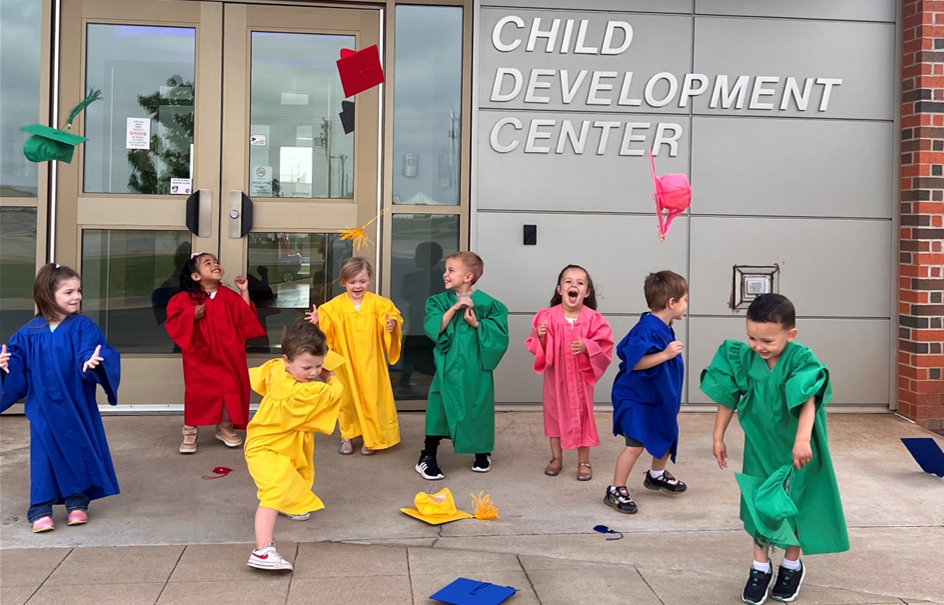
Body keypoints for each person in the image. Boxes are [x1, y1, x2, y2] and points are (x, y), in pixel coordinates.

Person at [701, 293, 848, 605]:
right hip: (759, 445)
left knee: (793, 503)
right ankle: (759, 567)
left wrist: (802, 440)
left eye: (767, 340)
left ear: (790, 334)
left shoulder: (800, 358)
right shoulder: (743, 358)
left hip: (797, 447)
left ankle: (791, 566)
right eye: (752, 337)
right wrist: (718, 437)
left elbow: (808, 402)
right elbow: (728, 399)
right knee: (758, 503)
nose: (758, 346)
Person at [0, 263, 120, 532]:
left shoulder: (83, 327)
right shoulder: (28, 332)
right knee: (44, 455)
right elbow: (15, 361)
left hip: (76, 403)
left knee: (78, 447)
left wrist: (92, 363)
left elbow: (92, 351)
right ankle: (39, 507)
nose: (76, 297)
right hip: (42, 406)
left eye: (78, 291)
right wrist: (5, 364)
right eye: (69, 292)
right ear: (47, 295)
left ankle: (77, 502)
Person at [245, 322, 344, 572]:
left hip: (285, 442)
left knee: (299, 473)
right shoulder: (305, 392)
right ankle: (262, 550)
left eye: (318, 366)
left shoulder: (277, 368)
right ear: (287, 360)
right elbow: (334, 393)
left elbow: (258, 377)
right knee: (274, 491)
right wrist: (329, 374)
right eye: (307, 367)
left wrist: (310, 337)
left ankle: (293, 506)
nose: (313, 372)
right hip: (265, 448)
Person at [415, 252, 509, 480]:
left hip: (475, 367)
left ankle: (482, 452)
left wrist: (477, 323)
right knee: (439, 407)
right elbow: (433, 328)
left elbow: (500, 336)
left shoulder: (489, 305)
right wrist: (454, 309)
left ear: (468, 276)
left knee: (478, 406)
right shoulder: (438, 302)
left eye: (451, 270)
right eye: (446, 269)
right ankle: (427, 456)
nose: (445, 274)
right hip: (447, 366)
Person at [606, 271, 689, 515]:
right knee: (635, 444)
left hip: (657, 396)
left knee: (666, 432)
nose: (686, 305)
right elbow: (634, 361)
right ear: (671, 303)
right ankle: (616, 488)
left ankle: (656, 475)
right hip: (636, 398)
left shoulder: (663, 325)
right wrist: (665, 354)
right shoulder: (648, 329)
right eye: (684, 299)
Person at [164, 253, 266, 453]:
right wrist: (190, 314)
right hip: (200, 356)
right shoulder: (184, 299)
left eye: (216, 262)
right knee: (198, 392)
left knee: (230, 389)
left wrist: (244, 291)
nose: (215, 265)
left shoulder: (229, 296)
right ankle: (190, 431)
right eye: (207, 263)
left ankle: (224, 427)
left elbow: (245, 317)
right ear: (196, 276)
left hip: (228, 354)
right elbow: (173, 320)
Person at [306, 257, 403, 456]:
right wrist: (317, 322)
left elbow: (393, 318)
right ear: (343, 282)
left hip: (370, 360)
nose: (357, 286)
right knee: (346, 398)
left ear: (369, 280)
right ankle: (347, 436)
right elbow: (326, 333)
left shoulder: (379, 304)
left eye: (362, 281)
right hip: (344, 360)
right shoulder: (334, 307)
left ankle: (371, 438)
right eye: (352, 282)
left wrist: (391, 325)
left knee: (373, 396)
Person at [525, 265, 613, 481]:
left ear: (587, 292)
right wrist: (542, 336)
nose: (574, 285)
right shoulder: (546, 317)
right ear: (559, 289)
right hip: (556, 379)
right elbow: (536, 347)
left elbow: (605, 345)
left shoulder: (594, 319)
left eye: (580, 283)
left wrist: (587, 347)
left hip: (581, 380)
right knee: (554, 416)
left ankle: (584, 462)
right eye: (568, 281)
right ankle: (556, 458)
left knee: (583, 416)